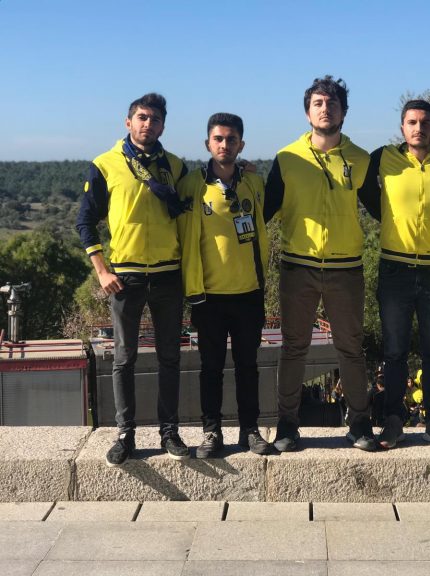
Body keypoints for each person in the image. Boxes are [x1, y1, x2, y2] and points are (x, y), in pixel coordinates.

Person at [76, 93, 190, 466]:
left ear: (163, 126)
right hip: (125, 277)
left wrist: (245, 171)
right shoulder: (105, 164)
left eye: (155, 119)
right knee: (124, 358)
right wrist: (102, 270)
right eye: (142, 117)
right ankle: (125, 434)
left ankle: (169, 432)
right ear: (128, 122)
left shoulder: (176, 166)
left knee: (170, 356)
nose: (148, 124)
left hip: (168, 274)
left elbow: (197, 208)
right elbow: (84, 221)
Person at [264, 76, 375, 452]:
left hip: (347, 269)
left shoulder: (361, 158)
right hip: (298, 267)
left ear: (344, 111)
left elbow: (384, 209)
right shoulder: (287, 158)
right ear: (307, 112)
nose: (325, 108)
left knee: (351, 349)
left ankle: (360, 423)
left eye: (332, 103)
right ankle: (287, 425)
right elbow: (263, 210)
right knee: (294, 348)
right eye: (318, 103)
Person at [359, 100, 430, 450]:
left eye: (426, 122)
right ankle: (393, 420)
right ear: (402, 127)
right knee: (394, 351)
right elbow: (363, 187)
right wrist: (386, 215)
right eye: (412, 122)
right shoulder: (383, 157)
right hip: (395, 267)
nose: (419, 128)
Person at [178, 113, 270, 458]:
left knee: (248, 367)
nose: (225, 145)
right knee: (211, 369)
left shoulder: (253, 183)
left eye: (231, 139)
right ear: (207, 144)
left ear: (241, 145)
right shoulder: (192, 185)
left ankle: (250, 430)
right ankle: (211, 431)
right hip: (208, 296)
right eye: (218, 139)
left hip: (249, 292)